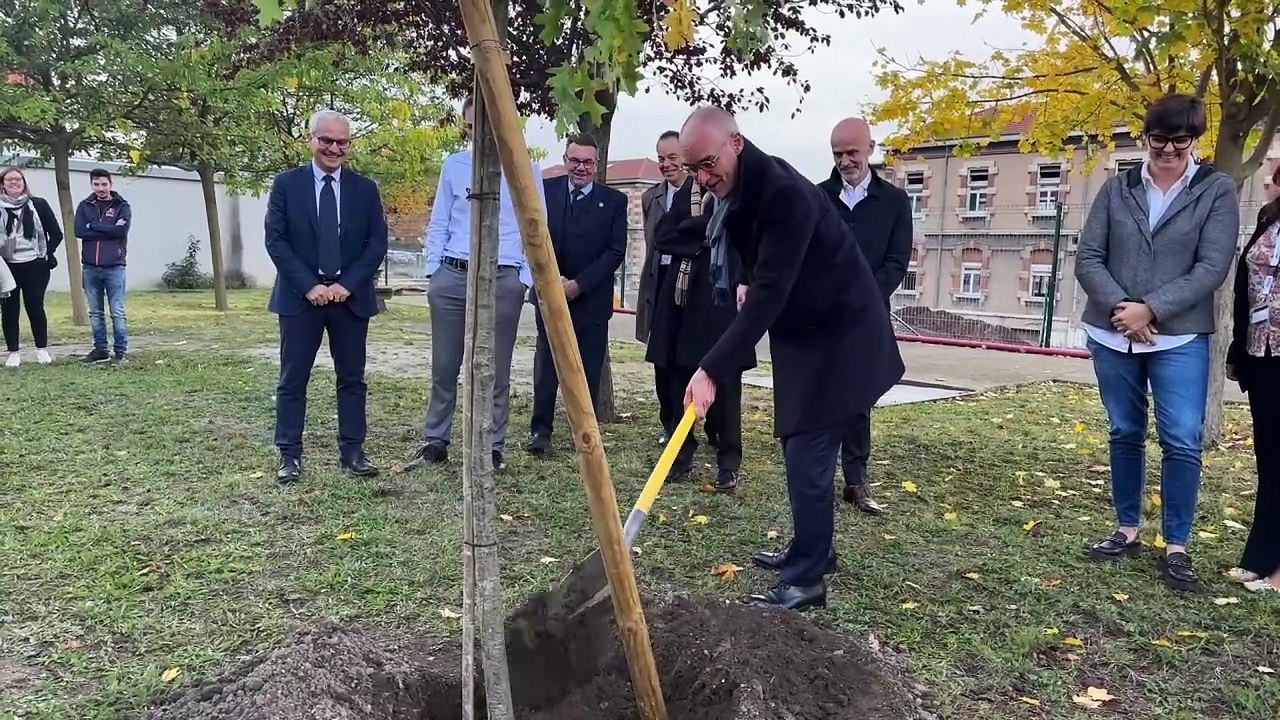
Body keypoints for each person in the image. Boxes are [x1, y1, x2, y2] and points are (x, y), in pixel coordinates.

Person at [679, 106, 904, 610]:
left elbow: (771, 293)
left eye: (707, 163)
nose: (702, 177)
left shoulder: (781, 190)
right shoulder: (739, 189)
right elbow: (758, 265)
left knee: (808, 451)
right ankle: (814, 552)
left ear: (736, 143)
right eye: (693, 169)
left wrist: (712, 367)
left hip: (842, 336)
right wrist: (745, 279)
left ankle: (805, 581)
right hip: (807, 336)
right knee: (801, 449)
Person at [1075, 93, 1239, 592]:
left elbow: (1212, 266)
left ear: (1196, 139)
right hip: (1114, 332)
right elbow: (1088, 258)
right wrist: (1125, 309)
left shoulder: (1217, 190)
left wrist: (1153, 309)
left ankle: (1177, 546)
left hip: (1180, 336)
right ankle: (1126, 530)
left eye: (1180, 140)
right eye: (1159, 139)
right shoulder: (1117, 188)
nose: (1168, 150)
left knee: (1181, 439)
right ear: (1146, 137)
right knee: (1125, 431)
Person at [410, 96, 543, 472]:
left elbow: (536, 225)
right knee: (445, 365)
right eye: (471, 125)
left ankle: (493, 445)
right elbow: (438, 221)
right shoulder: (454, 165)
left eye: (485, 124)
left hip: (503, 276)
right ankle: (436, 439)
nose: (478, 132)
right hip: (453, 274)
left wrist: (522, 279)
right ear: (466, 126)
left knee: (495, 369)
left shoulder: (525, 168)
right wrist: (433, 272)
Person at [264, 109, 389, 484]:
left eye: (342, 142)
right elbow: (276, 240)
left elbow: (376, 243)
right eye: (327, 140)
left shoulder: (365, 189)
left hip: (349, 299)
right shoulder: (286, 185)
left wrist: (346, 284)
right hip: (301, 298)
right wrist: (310, 285)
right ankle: (289, 454)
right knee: (293, 379)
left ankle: (353, 450)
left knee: (352, 379)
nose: (334, 148)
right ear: (311, 139)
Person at [815, 117, 912, 515]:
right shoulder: (819, 197)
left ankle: (856, 481)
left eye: (851, 152)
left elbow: (896, 261)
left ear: (870, 149)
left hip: (867, 317)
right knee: (820, 401)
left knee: (858, 400)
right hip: (823, 315)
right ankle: (817, 481)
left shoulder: (893, 201)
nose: (844, 161)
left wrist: (864, 297)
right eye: (838, 154)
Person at [646, 161, 754, 492]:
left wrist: (691, 230)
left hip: (719, 305)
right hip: (679, 304)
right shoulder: (686, 195)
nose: (703, 176)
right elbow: (663, 236)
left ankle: (729, 461)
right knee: (677, 380)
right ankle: (680, 456)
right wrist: (705, 234)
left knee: (726, 384)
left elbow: (742, 241)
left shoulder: (739, 195)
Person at [527, 133, 627, 454]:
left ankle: (583, 433)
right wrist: (553, 280)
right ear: (566, 159)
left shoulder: (614, 202)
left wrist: (578, 284)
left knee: (587, 369)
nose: (580, 168)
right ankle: (540, 432)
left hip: (591, 301)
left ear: (596, 165)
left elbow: (615, 252)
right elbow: (532, 234)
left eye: (587, 162)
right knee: (546, 367)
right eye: (575, 161)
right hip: (549, 295)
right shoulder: (546, 191)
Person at [1224, 163, 1280, 594]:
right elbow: (1248, 287)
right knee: (1270, 461)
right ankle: (1260, 559)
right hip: (1263, 354)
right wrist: (1238, 347)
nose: (1269, 181)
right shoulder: (1269, 219)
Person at [638, 130, 689, 443]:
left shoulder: (701, 194)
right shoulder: (651, 197)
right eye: (661, 158)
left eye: (673, 158)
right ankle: (668, 423)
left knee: (687, 358)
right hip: (659, 282)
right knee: (661, 359)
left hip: (688, 285)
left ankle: (695, 425)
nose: (667, 165)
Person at [1, 167, 63, 368]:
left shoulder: (38, 204)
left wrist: (46, 254)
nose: (14, 183)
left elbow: (56, 233)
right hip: (7, 266)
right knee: (10, 310)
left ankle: (41, 349)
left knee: (35, 307)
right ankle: (13, 352)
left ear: (24, 182)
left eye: (18, 179)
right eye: (9, 180)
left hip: (35, 265)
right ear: (2, 183)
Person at [74, 168, 131, 363]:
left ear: (111, 184)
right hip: (90, 267)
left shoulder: (122, 206)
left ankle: (120, 352)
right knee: (95, 313)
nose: (100, 188)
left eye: (104, 184)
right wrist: (108, 229)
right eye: (96, 184)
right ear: (92, 185)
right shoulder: (85, 206)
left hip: (114, 266)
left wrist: (94, 226)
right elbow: (79, 231)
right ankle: (100, 350)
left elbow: (120, 231)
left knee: (117, 311)